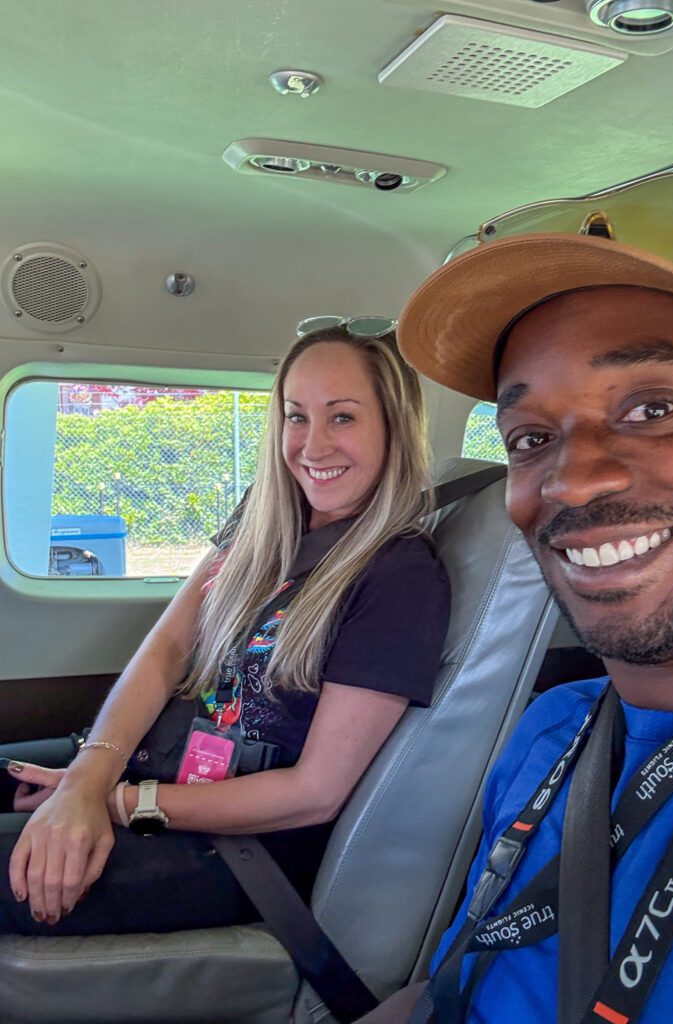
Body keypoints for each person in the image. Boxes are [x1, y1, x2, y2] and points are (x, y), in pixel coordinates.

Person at [381, 176, 673, 1024]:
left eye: (654, 407)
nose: (569, 478)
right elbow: (458, 993)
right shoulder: (552, 734)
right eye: (530, 438)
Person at [0, 323, 450, 935]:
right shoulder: (263, 518)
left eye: (342, 417)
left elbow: (315, 792)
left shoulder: (400, 575)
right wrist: (87, 775)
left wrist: (108, 801)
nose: (313, 446)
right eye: (296, 417)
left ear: (393, 426)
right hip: (156, 764)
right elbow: (167, 648)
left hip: (241, 849)